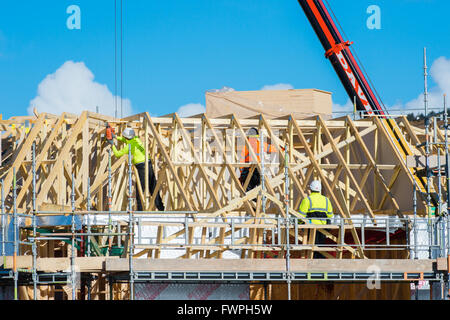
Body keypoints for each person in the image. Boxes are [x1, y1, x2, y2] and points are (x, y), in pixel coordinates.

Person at [108, 127, 165, 211]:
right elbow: (126, 140)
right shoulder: (136, 139)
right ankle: (161, 208)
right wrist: (116, 137)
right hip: (148, 163)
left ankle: (140, 210)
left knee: (140, 190)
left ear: (126, 136)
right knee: (153, 187)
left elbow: (117, 154)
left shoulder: (129, 146)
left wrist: (112, 144)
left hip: (142, 167)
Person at [298, 180, 333, 259]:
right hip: (323, 228)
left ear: (310, 189)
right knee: (321, 246)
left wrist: (298, 223)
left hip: (311, 227)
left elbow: (300, 216)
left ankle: (313, 264)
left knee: (312, 247)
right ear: (319, 190)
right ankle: (321, 264)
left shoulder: (307, 200)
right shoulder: (326, 200)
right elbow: (330, 215)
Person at [239, 128, 277, 192]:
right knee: (261, 189)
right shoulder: (260, 144)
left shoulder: (246, 146)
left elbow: (241, 162)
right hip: (257, 170)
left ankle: (255, 200)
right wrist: (282, 148)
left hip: (251, 171)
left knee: (249, 191)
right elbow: (273, 148)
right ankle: (259, 199)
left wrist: (242, 175)